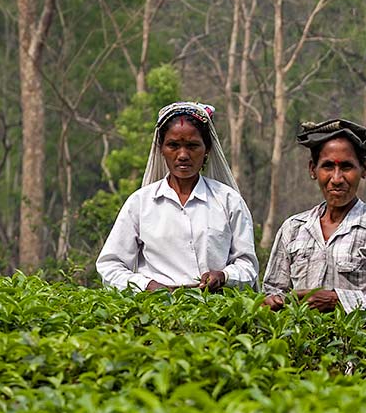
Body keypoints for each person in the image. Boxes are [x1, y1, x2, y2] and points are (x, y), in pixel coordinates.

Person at [96, 101, 259, 291]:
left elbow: (247, 265)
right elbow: (110, 266)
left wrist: (224, 276)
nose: (182, 155)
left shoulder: (228, 201)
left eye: (192, 146)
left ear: (207, 150)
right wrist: (148, 286)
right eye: (173, 145)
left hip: (217, 312)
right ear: (161, 149)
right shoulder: (141, 203)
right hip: (156, 312)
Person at [261, 118, 366, 314]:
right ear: (313, 170)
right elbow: (271, 291)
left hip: (357, 344)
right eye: (328, 166)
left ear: (364, 169)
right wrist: (275, 302)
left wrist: (338, 301)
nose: (337, 179)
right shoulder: (293, 228)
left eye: (346, 167)